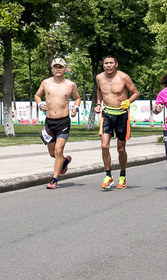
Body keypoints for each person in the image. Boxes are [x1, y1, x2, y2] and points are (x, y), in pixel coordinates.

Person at [93, 54, 140, 189]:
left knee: (121, 148)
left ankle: (122, 176)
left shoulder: (123, 77)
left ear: (116, 64)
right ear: (103, 65)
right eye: (106, 63)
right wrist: (98, 103)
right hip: (107, 114)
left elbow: (136, 93)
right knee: (104, 146)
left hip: (121, 115)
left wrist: (128, 102)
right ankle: (108, 175)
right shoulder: (99, 77)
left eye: (111, 63)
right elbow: (99, 91)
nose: (108, 65)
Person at [34, 58, 82, 190]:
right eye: (55, 67)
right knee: (52, 153)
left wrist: (75, 108)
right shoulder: (46, 83)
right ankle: (64, 161)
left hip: (63, 122)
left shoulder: (70, 84)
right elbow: (37, 95)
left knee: (58, 150)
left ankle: (54, 179)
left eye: (60, 67)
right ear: (52, 69)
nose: (58, 69)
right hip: (50, 122)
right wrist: (40, 104)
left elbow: (77, 98)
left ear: (65, 69)